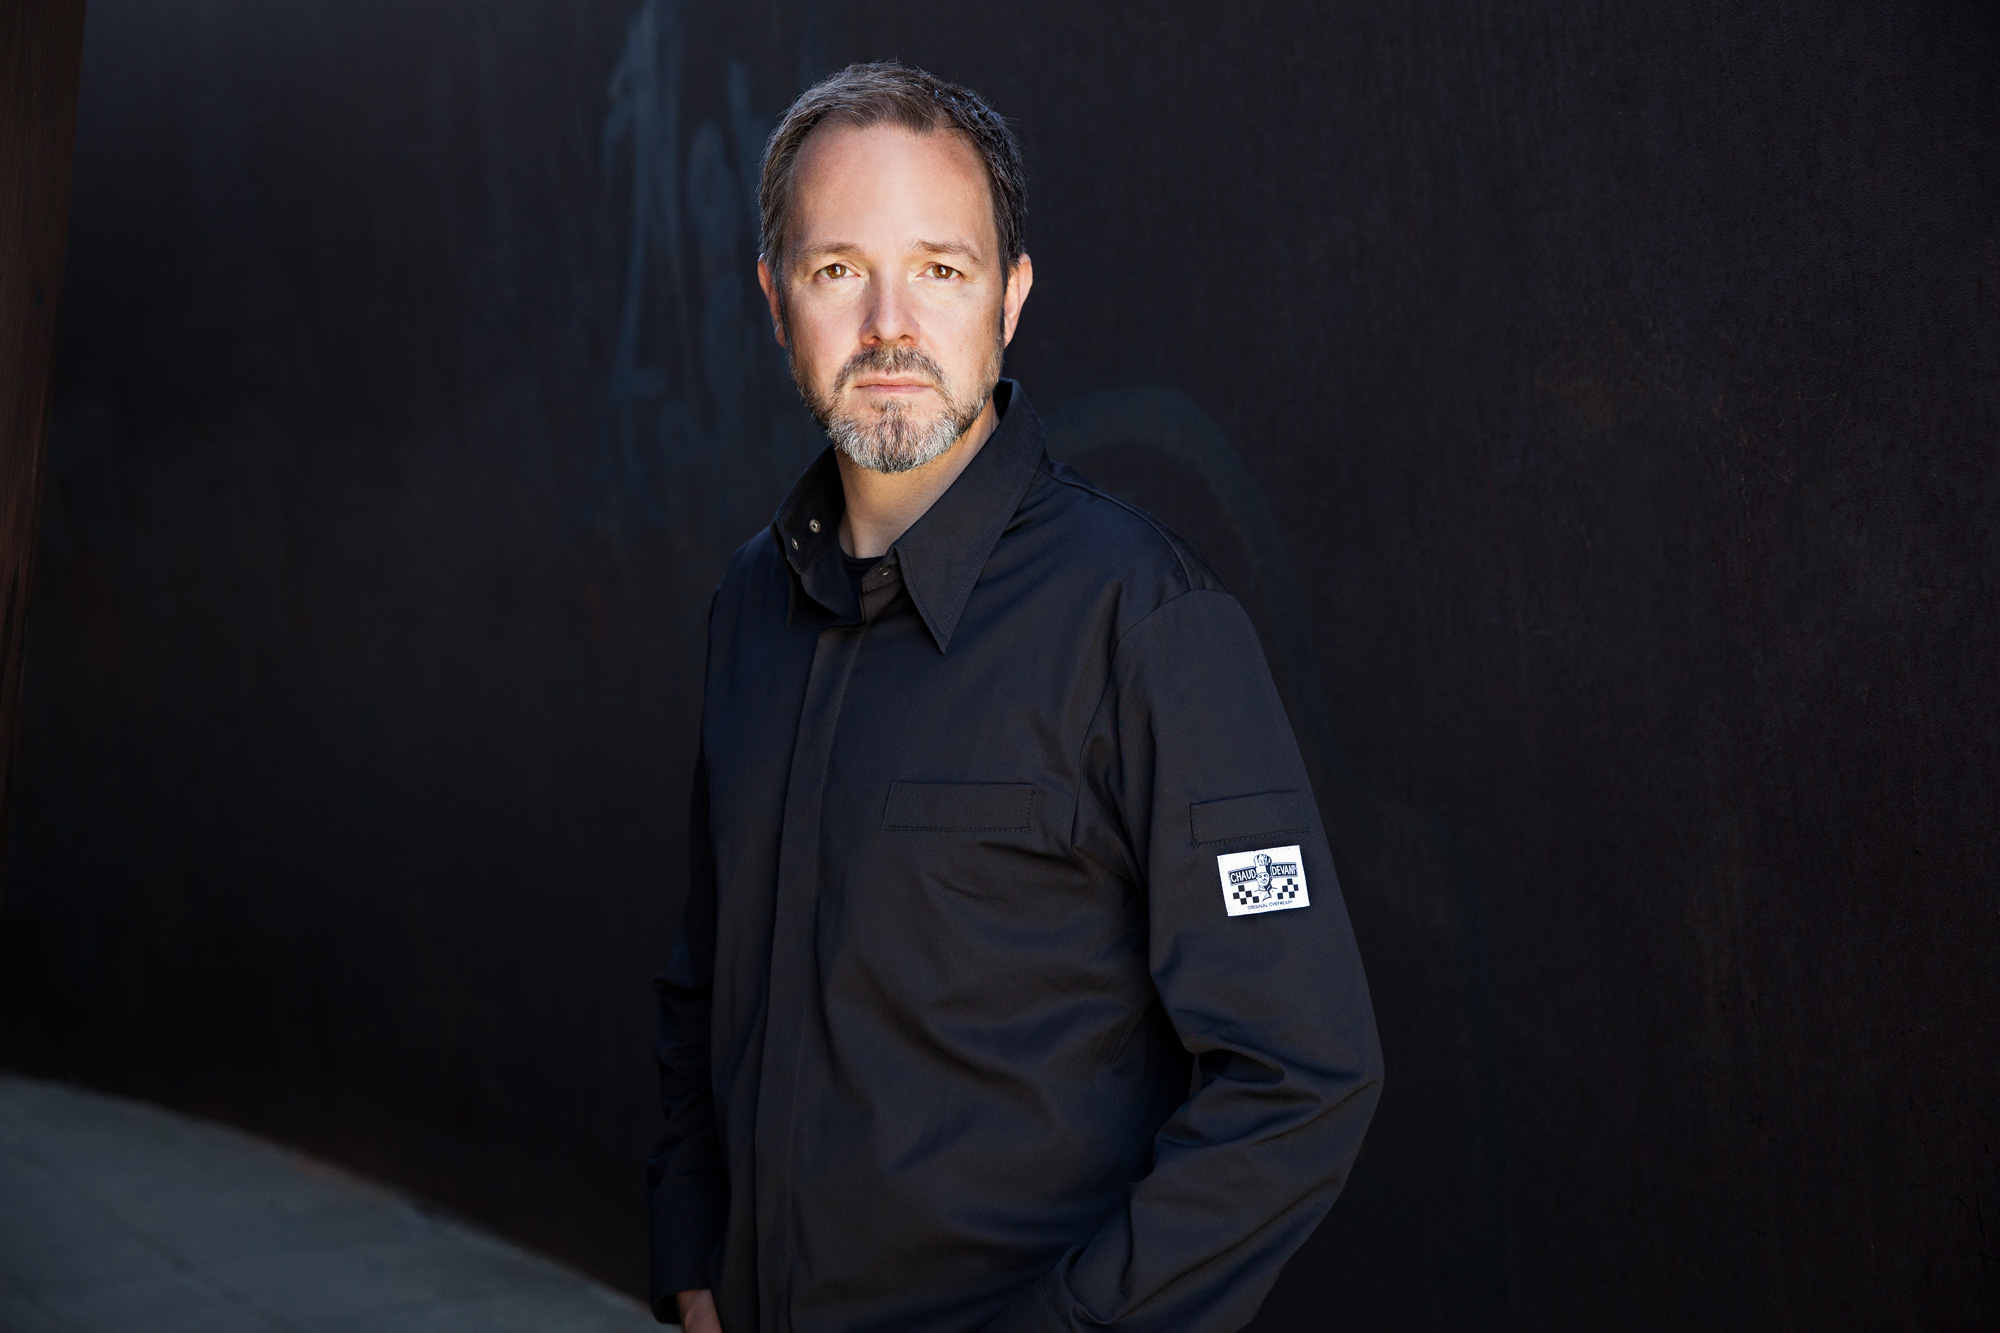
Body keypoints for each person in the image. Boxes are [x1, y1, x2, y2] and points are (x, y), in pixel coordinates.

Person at [648, 61, 1382, 1333]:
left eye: (940, 268)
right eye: (837, 271)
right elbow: (701, 982)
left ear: (1010, 299)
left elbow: (1301, 1073)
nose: (889, 323)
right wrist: (693, 1262)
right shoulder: (745, 610)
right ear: (774, 302)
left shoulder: (1144, 620)